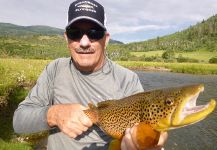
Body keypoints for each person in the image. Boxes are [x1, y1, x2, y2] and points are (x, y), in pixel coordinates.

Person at [13, 0, 168, 149]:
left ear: (106, 39)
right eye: (75, 33)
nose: (84, 42)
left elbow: (147, 126)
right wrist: (54, 113)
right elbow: (19, 121)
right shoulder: (55, 69)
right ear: (67, 38)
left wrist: (146, 141)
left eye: (94, 33)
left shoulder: (127, 79)